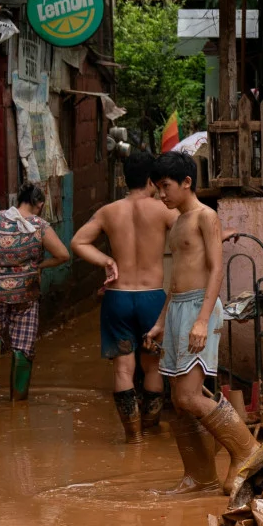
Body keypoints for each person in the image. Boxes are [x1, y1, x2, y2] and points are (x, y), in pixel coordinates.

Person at [146, 150, 254, 493]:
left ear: (186, 182)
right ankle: (199, 475)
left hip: (198, 308)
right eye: (158, 188)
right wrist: (161, 321)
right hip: (178, 307)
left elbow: (216, 269)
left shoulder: (206, 217)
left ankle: (246, 452)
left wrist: (202, 320)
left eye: (165, 187)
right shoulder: (177, 222)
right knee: (178, 400)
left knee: (191, 396)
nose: (162, 195)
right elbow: (174, 278)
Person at [71, 151, 178, 442]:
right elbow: (196, 231)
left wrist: (106, 260)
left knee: (123, 367)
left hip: (117, 298)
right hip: (152, 298)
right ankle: (151, 427)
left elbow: (78, 241)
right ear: (150, 180)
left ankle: (132, 437)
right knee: (152, 365)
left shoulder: (108, 211)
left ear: (124, 179)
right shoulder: (163, 210)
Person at [0, 181, 70, 407]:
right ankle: (18, 398)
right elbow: (63, 255)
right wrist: (40, 266)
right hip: (26, 292)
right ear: (38, 203)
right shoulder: (39, 226)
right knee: (23, 343)